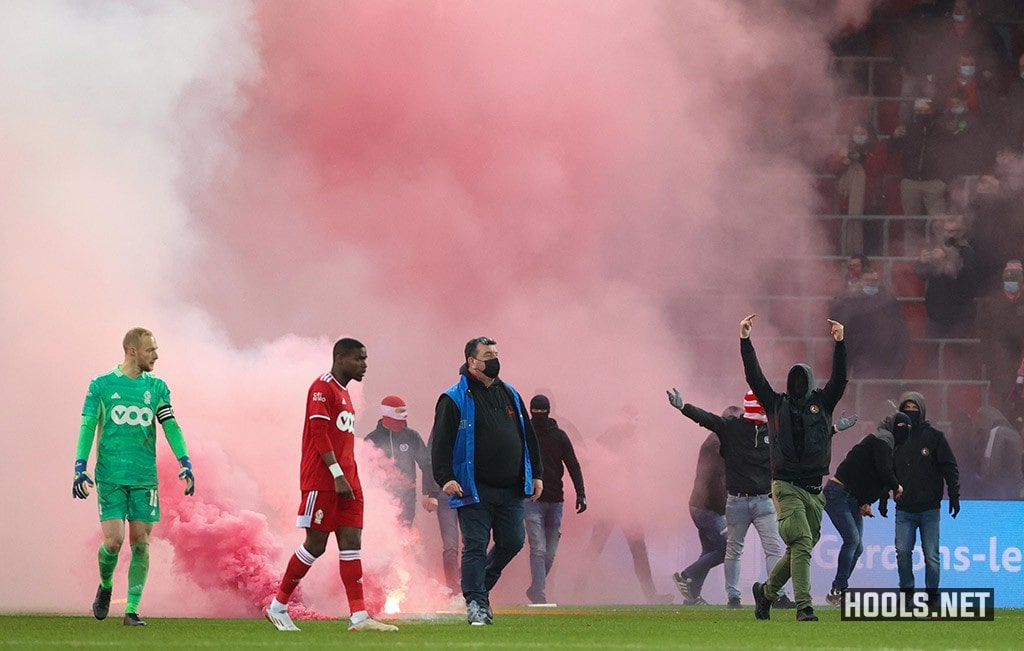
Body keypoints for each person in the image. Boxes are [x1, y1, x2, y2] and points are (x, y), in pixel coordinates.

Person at [265, 338, 398, 633]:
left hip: (348, 479)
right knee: (315, 545)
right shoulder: (321, 387)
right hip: (324, 481)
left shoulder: (345, 393)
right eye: (358, 359)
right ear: (340, 359)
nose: (364, 365)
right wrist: (337, 473)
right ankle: (278, 606)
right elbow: (319, 433)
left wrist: (347, 475)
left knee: (351, 545)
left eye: (365, 359)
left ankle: (359, 617)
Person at [73, 327, 195, 627]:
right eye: (150, 349)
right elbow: (88, 425)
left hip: (143, 478)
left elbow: (171, 425)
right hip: (111, 475)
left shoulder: (156, 388)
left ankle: (131, 610)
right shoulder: (101, 385)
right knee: (113, 542)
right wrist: (80, 465)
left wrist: (185, 460)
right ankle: (105, 585)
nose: (156, 354)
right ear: (132, 351)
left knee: (140, 543)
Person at [740, 313, 848, 622]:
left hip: (815, 490)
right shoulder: (775, 403)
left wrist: (840, 344)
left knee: (799, 549)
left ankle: (766, 593)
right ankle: (805, 606)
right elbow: (754, 378)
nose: (799, 383)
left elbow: (840, 380)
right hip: (785, 486)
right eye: (795, 379)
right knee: (801, 542)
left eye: (803, 379)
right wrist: (745, 341)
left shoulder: (823, 403)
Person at [430, 336, 543, 626]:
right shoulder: (453, 399)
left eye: (496, 353)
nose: (494, 359)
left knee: (513, 541)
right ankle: (476, 603)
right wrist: (445, 478)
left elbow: (528, 437)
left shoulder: (511, 394)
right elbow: (440, 444)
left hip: (511, 489)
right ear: (472, 361)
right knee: (476, 545)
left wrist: (537, 474)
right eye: (487, 354)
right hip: (473, 488)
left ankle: (479, 588)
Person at [667, 390, 795, 610]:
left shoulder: (726, 434)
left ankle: (696, 595)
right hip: (713, 506)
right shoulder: (722, 440)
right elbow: (717, 478)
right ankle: (689, 576)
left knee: (715, 550)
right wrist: (684, 407)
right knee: (729, 549)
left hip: (716, 504)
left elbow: (708, 420)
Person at [885, 392, 961, 607]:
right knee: (902, 553)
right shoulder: (895, 438)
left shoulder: (935, 437)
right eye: (906, 408)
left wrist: (954, 495)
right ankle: (907, 594)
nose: (911, 412)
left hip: (930, 509)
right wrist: (883, 497)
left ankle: (932, 597)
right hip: (904, 509)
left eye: (914, 408)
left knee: (931, 557)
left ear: (922, 409)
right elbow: (886, 469)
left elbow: (950, 467)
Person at [823, 415, 907, 607]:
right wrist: (897, 486)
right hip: (837, 492)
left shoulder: (887, 445)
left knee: (858, 547)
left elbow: (870, 475)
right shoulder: (881, 440)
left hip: (852, 497)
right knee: (852, 540)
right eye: (901, 426)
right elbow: (884, 471)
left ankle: (838, 590)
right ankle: (838, 590)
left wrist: (866, 501)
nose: (904, 430)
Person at [523, 394, 586, 605]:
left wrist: (581, 493)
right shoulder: (523, 435)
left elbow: (573, 465)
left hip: (556, 500)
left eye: (541, 411)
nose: (538, 415)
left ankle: (535, 589)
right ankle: (540, 595)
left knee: (549, 553)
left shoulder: (560, 437)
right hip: (531, 500)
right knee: (538, 548)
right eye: (536, 411)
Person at [363, 395, 432, 528]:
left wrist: (429, 492)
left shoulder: (411, 436)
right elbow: (364, 473)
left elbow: (427, 464)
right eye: (397, 421)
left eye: (403, 421)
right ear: (386, 418)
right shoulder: (372, 440)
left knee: (405, 534)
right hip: (381, 499)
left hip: (408, 498)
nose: (401, 425)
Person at [828, 268, 910, 379]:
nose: (871, 284)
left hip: (886, 354)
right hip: (860, 355)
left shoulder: (889, 301)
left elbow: (901, 328)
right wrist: (847, 297)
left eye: (874, 281)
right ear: (860, 282)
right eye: (867, 281)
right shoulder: (851, 300)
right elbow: (839, 319)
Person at [914, 216, 979, 338]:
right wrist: (922, 262)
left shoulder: (968, 252)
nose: (947, 235)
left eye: (952, 231)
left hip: (960, 317)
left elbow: (966, 277)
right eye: (946, 231)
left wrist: (947, 258)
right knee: (932, 354)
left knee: (960, 354)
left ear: (961, 233)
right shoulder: (936, 249)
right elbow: (921, 274)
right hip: (936, 316)